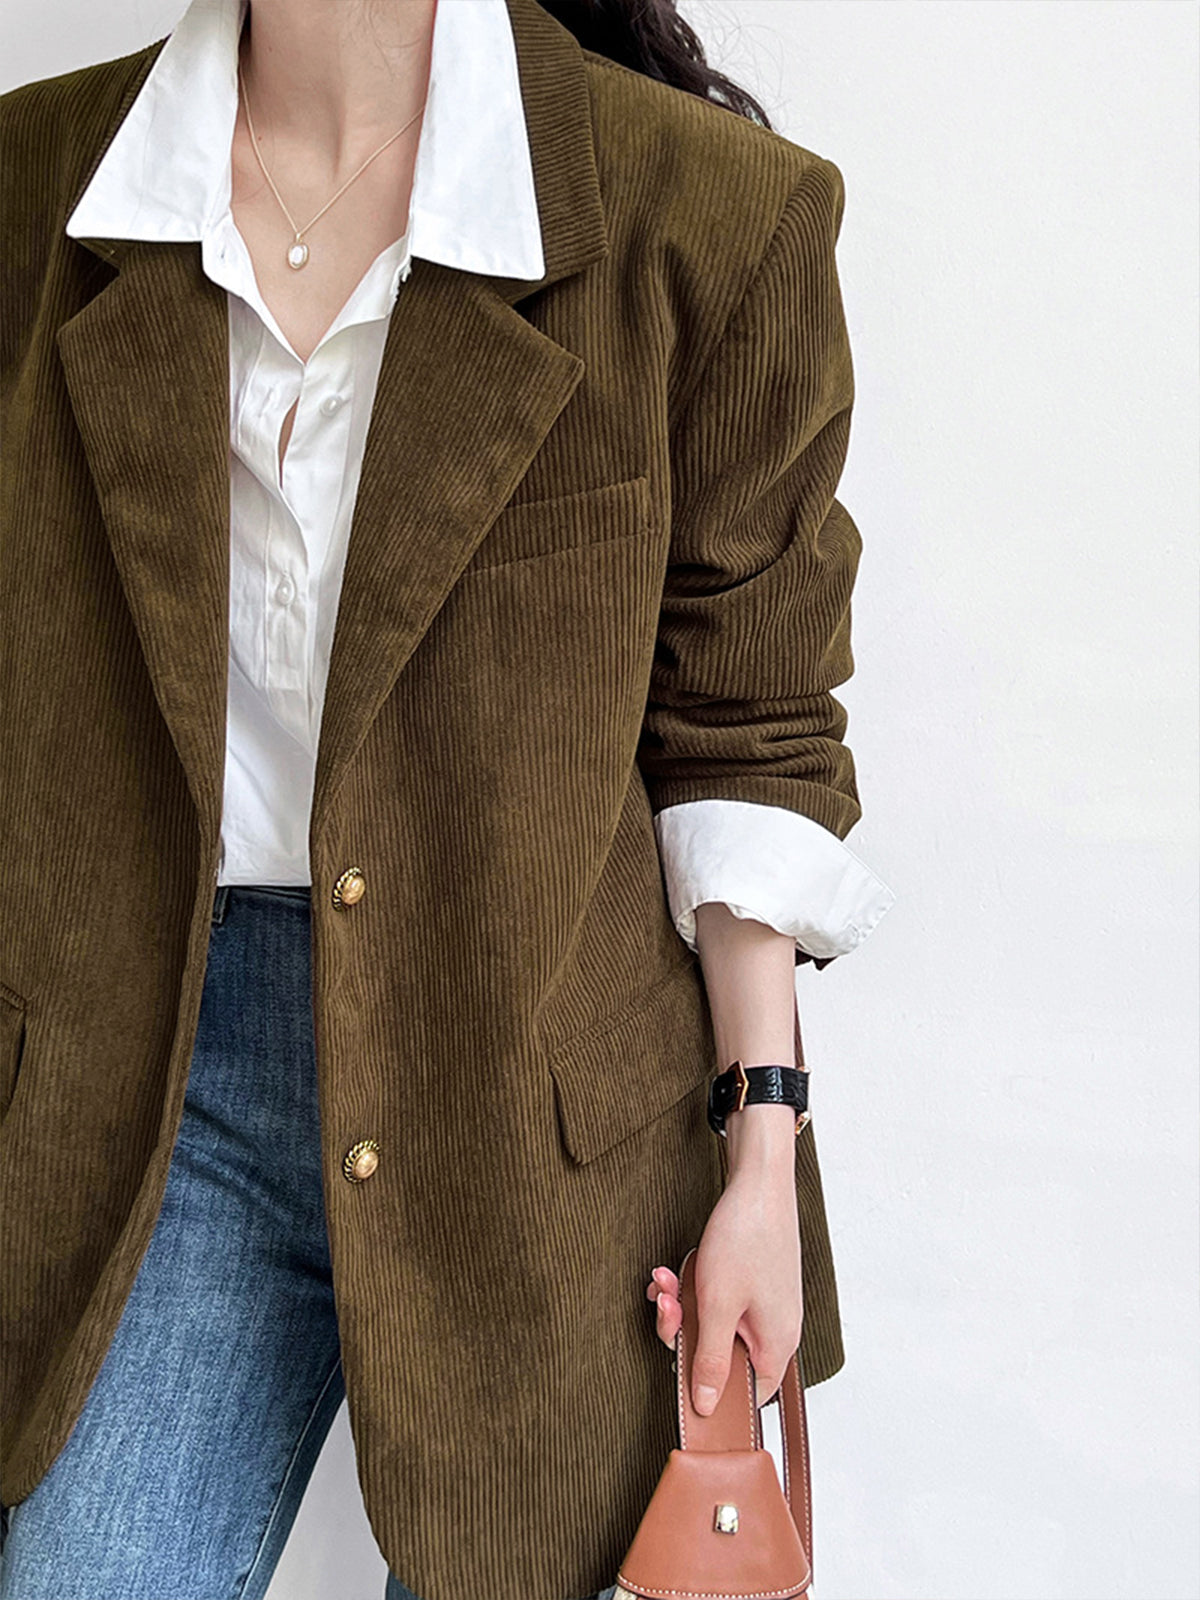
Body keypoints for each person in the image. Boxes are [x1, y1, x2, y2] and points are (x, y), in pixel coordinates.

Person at [0, 0, 895, 1595]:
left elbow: (746, 726)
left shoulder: (708, 218)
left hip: (539, 1109)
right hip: (151, 1088)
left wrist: (761, 1149)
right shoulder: (35, 188)